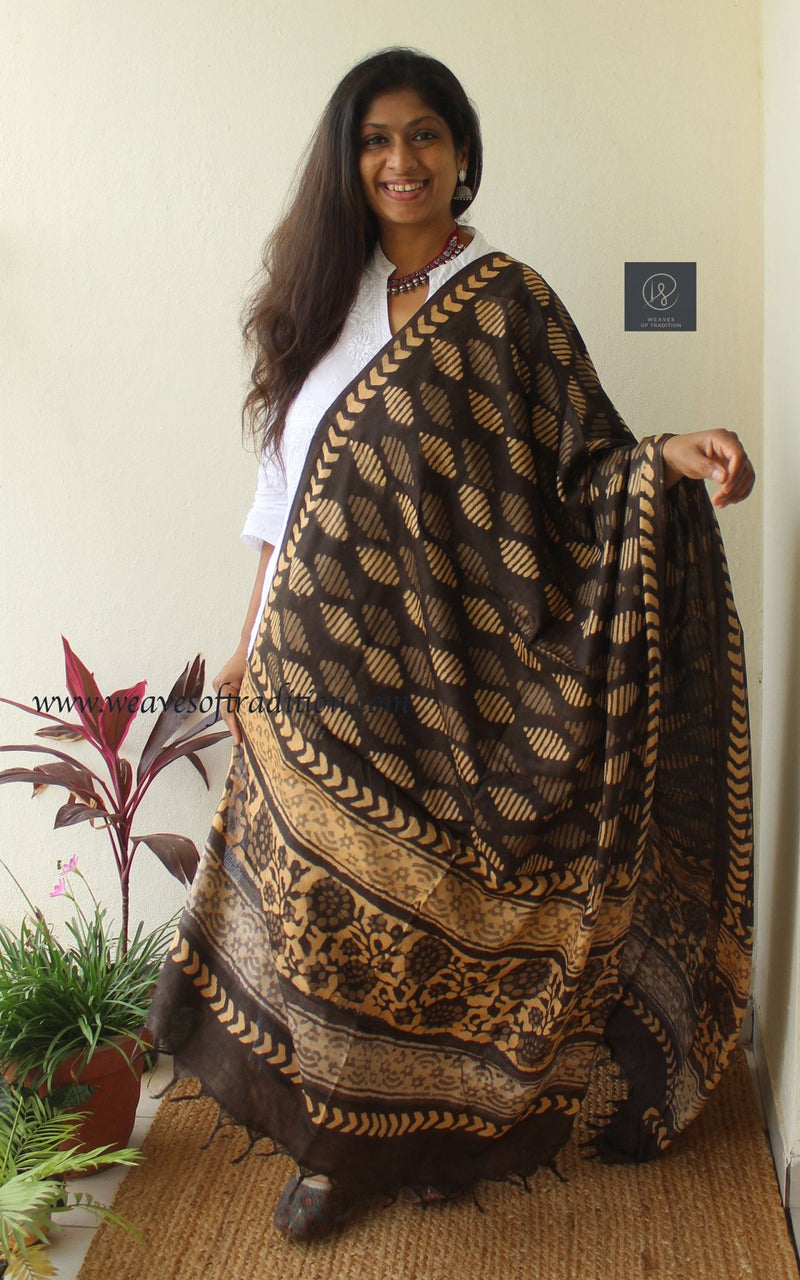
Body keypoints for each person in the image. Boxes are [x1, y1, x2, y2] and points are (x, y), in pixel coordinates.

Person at [148, 48, 756, 1243]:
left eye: (422, 134)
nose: (400, 160)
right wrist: (246, 639)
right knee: (324, 918)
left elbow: (581, 467)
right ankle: (335, 1150)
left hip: (452, 675)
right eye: (375, 140)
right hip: (315, 667)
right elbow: (281, 491)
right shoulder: (319, 300)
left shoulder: (508, 302)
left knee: (433, 912)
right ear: (348, 161)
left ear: (460, 150)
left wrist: (664, 460)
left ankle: (427, 1132)